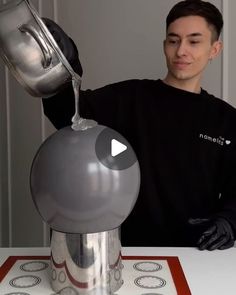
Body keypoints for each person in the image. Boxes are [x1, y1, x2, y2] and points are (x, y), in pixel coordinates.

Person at [42, 0, 236, 250]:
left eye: (194, 41)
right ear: (165, 44)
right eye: (173, 40)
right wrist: (62, 69)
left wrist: (229, 221)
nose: (181, 51)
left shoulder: (227, 119)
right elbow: (68, 114)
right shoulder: (130, 98)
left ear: (215, 49)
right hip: (130, 251)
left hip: (198, 253)